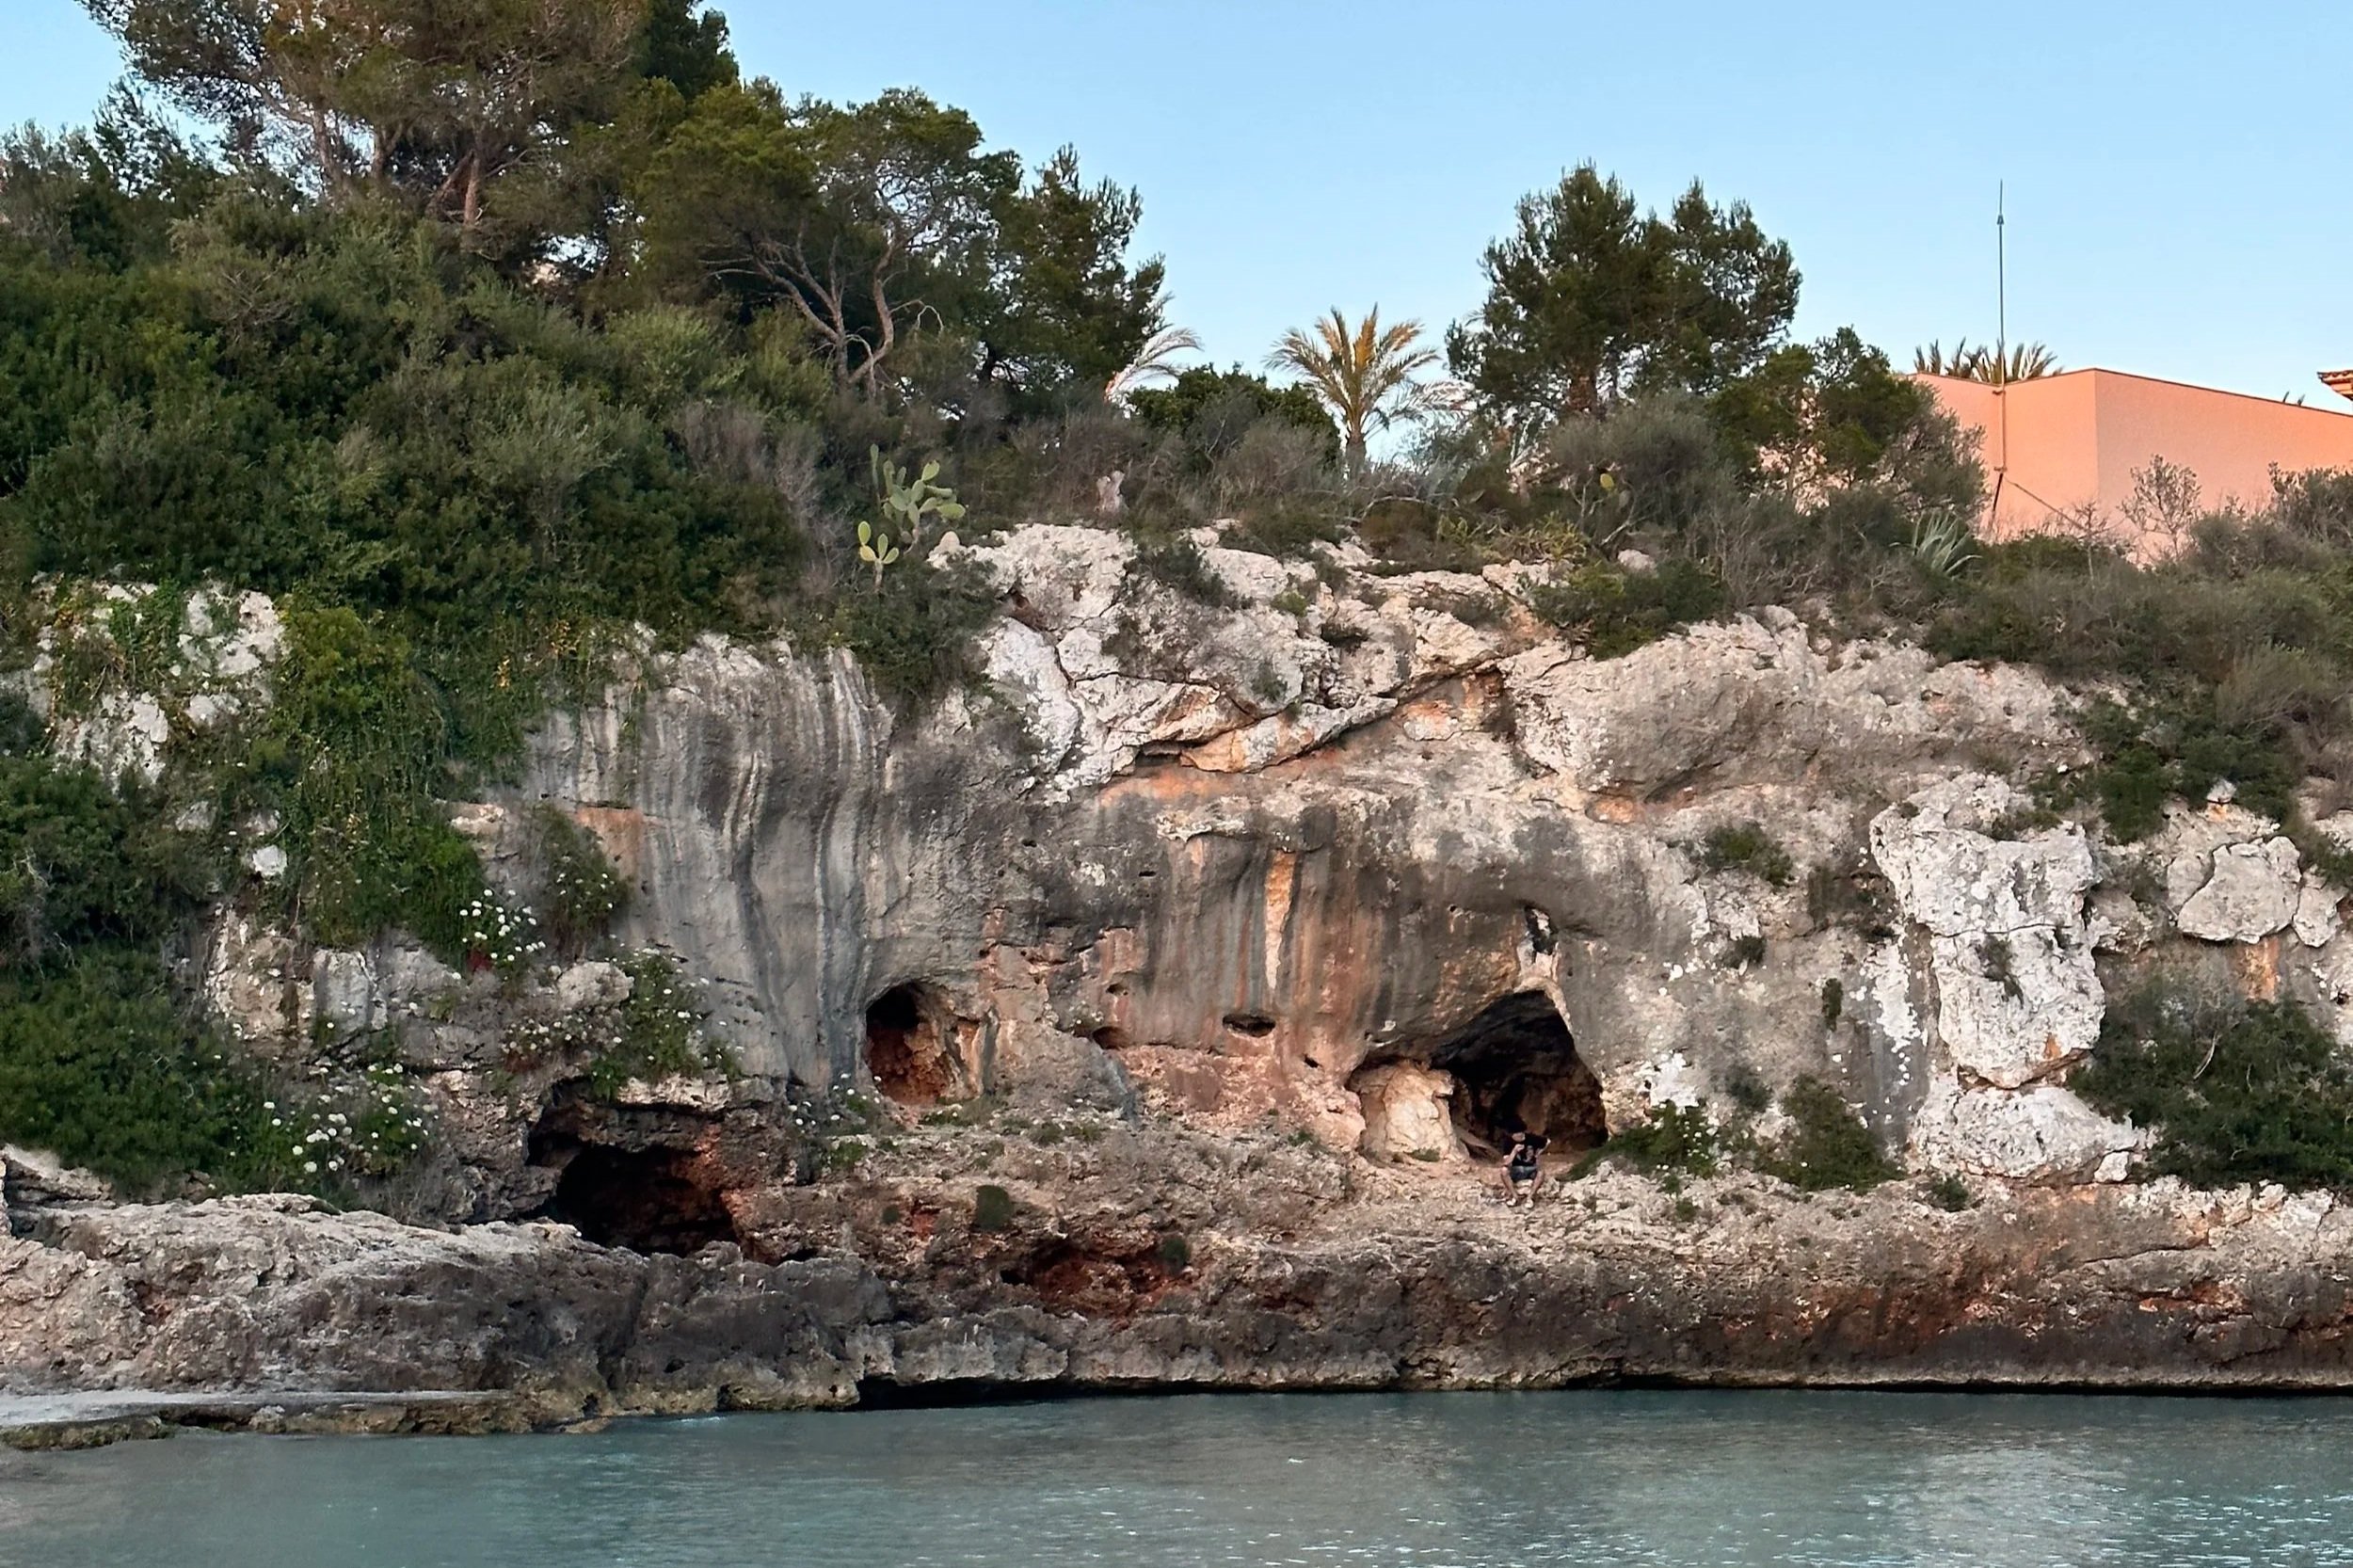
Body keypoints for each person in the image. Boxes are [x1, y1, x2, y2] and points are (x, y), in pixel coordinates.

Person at [1503, 1131, 1544, 1208]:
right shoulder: (1508, 1142)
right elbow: (1506, 1163)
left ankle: (1530, 1198)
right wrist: (1514, 1152)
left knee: (1541, 1172)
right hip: (1516, 1170)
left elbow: (1539, 1167)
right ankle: (1515, 1196)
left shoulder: (1532, 1140)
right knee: (1504, 1170)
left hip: (1530, 1169)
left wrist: (1537, 1155)